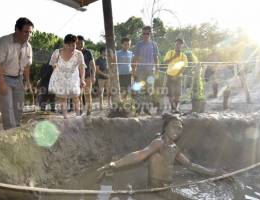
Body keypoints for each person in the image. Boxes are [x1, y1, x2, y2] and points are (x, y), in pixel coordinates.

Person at [98, 113, 230, 188]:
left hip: (167, 185)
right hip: (156, 188)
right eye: (174, 126)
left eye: (179, 128)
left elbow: (189, 165)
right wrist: (114, 164)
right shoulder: (158, 143)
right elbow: (139, 155)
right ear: (165, 127)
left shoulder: (174, 147)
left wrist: (213, 173)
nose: (177, 130)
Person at [0, 18, 33, 130]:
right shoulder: (3, 42)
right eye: (26, 31)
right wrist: (1, 83)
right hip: (1, 76)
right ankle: (10, 133)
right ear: (17, 30)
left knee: (18, 107)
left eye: (30, 32)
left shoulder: (28, 47)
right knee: (8, 108)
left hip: (18, 78)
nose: (28, 35)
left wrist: (27, 81)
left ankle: (16, 130)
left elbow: (27, 65)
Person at [48, 34, 86, 119]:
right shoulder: (57, 52)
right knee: (63, 97)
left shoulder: (79, 54)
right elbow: (52, 63)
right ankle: (65, 117)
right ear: (64, 44)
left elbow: (82, 67)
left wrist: (82, 79)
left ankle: (78, 116)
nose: (72, 47)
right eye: (69, 45)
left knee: (76, 96)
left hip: (74, 77)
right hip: (61, 78)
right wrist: (57, 70)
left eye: (74, 45)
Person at [132, 26, 159, 115]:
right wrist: (134, 70)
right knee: (138, 89)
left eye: (147, 33)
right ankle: (138, 109)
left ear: (150, 34)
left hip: (150, 70)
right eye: (144, 33)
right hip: (140, 70)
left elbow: (156, 57)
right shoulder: (138, 44)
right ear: (142, 34)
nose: (145, 35)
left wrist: (157, 69)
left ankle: (147, 109)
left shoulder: (154, 44)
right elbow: (135, 57)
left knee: (149, 90)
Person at [164, 39, 188, 113]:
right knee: (170, 93)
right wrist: (174, 57)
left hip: (178, 77)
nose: (178, 46)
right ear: (175, 44)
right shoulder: (170, 53)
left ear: (182, 46)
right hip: (169, 75)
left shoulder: (183, 56)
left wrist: (177, 76)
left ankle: (176, 108)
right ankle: (172, 108)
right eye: (177, 44)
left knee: (178, 94)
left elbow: (184, 67)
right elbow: (165, 62)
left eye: (180, 44)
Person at [76, 35, 96, 115]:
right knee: (78, 95)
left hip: (87, 76)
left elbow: (93, 65)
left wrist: (93, 76)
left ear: (84, 43)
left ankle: (89, 112)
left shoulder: (88, 52)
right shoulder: (73, 52)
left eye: (81, 43)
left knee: (87, 94)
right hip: (76, 77)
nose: (80, 45)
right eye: (78, 43)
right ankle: (80, 111)